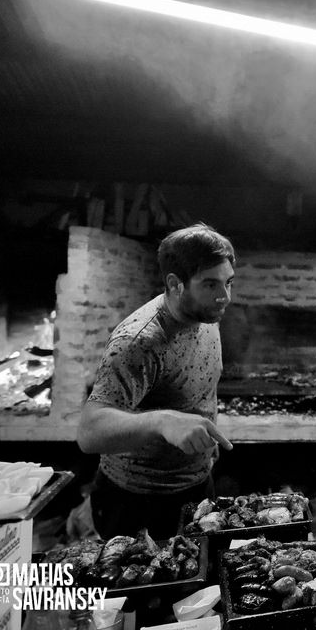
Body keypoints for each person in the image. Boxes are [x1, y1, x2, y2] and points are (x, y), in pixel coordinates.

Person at [77, 223, 236, 539]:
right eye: (210, 285)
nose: (225, 297)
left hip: (195, 487)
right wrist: (163, 422)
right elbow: (89, 432)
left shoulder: (205, 315)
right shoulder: (139, 341)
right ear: (176, 284)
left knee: (202, 587)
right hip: (136, 504)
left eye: (228, 282)